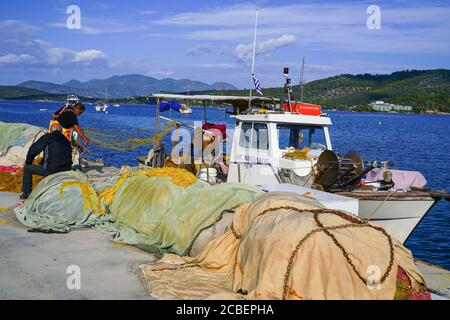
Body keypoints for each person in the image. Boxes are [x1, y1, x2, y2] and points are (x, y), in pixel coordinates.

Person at [19, 130, 72, 200]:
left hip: (51, 170)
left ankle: (26, 193)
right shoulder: (66, 140)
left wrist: (28, 162)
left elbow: (34, 149)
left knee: (27, 168)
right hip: (66, 170)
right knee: (44, 163)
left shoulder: (48, 137)